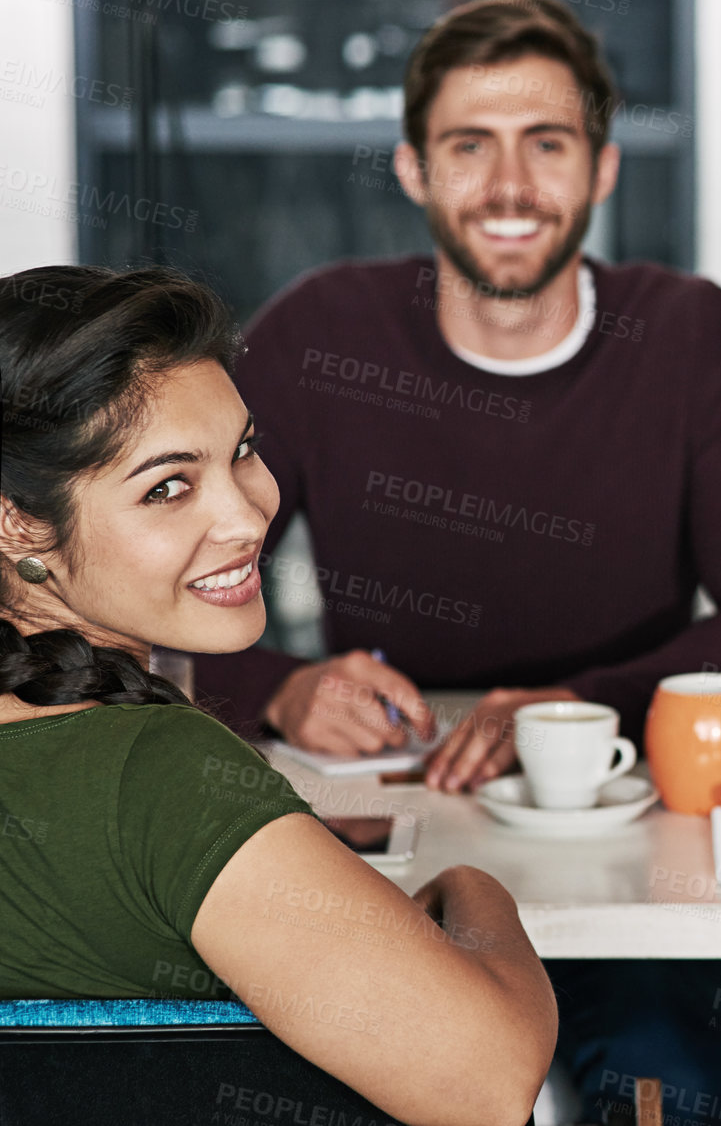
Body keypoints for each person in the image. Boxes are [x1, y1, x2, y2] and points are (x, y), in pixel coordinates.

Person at [190, 0, 721, 1124]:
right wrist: (280, 686)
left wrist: (573, 706)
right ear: (412, 169)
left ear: (603, 168)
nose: (509, 185)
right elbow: (164, 586)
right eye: (469, 146)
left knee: (654, 1085)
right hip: (392, 828)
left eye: (547, 144)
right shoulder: (318, 334)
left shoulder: (694, 336)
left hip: (634, 826)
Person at [0, 266, 558, 1126]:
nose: (248, 514)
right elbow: (488, 1084)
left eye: (245, 449)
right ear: (20, 524)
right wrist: (470, 889)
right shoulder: (155, 772)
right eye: (168, 486)